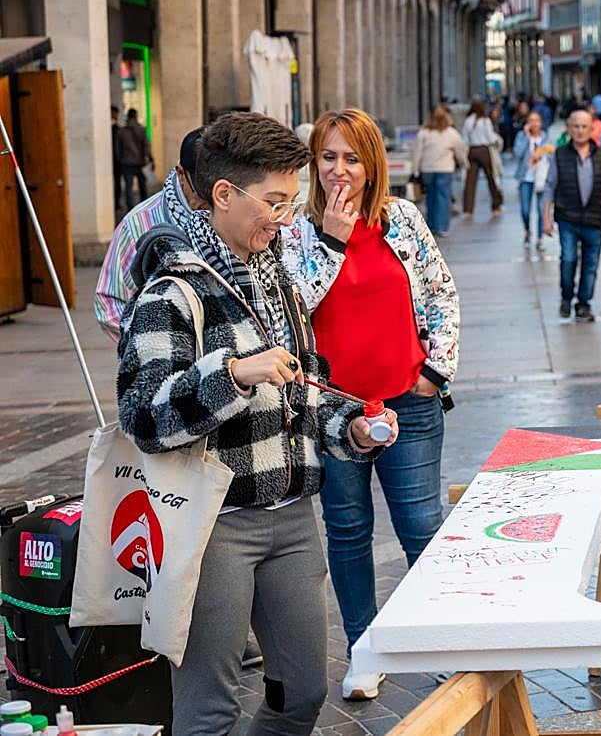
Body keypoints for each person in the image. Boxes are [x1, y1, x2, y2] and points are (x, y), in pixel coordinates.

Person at [117, 112, 398, 733]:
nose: (287, 216)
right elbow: (143, 417)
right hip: (211, 522)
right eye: (274, 201)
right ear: (225, 194)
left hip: (293, 516)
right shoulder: (174, 292)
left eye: (293, 201)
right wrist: (234, 373)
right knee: (209, 708)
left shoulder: (278, 280)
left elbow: (306, 386)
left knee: (301, 690)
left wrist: (348, 426)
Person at [281, 107, 460, 701]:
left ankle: (442, 645)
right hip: (331, 412)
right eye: (327, 157)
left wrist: (435, 371)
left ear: (371, 164)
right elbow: (292, 308)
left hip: (408, 403)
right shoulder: (296, 232)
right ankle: (364, 650)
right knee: (349, 530)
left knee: (421, 527)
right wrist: (331, 239)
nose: (339, 170)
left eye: (351, 158)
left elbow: (440, 294)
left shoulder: (402, 219)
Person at [95, 127, 207, 341]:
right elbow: (108, 304)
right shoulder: (139, 224)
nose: (211, 202)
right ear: (181, 174)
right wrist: (157, 344)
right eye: (201, 190)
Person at [542, 109, 601, 322]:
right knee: (568, 258)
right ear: (568, 128)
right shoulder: (560, 154)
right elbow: (549, 187)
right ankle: (566, 298)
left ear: (592, 129)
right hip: (568, 217)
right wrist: (546, 219)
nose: (580, 131)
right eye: (576, 126)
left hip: (594, 218)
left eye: (584, 126)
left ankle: (583, 303)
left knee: (590, 264)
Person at [412, 105, 467, 237]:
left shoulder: (424, 133)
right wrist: (464, 162)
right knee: (443, 197)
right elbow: (460, 149)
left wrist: (415, 170)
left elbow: (417, 152)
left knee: (430, 197)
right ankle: (442, 226)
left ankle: (431, 225)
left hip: (427, 170)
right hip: (445, 169)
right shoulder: (451, 133)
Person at [513, 110, 552, 250]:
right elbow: (517, 154)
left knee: (541, 210)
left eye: (537, 120)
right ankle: (527, 231)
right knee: (525, 209)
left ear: (541, 123)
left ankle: (540, 239)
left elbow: (551, 155)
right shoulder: (521, 136)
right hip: (526, 178)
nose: (534, 124)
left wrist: (540, 156)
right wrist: (527, 137)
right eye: (531, 120)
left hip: (542, 179)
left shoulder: (546, 137)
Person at [462, 98, 503, 219]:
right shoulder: (485, 121)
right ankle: (496, 206)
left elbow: (464, 139)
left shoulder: (467, 121)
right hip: (484, 151)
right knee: (491, 178)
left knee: (470, 181)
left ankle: (468, 210)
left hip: (472, 150)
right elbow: (490, 138)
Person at [117, 108, 154, 213]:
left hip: (127, 163)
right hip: (140, 163)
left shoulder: (121, 132)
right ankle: (145, 208)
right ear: (136, 116)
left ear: (128, 117)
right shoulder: (141, 129)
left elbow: (118, 149)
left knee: (128, 188)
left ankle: (131, 209)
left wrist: (120, 160)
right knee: (143, 187)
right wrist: (150, 158)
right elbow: (147, 146)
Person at [110, 106, 122, 217]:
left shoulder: (118, 129)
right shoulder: (116, 129)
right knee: (117, 183)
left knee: (117, 183)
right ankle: (116, 203)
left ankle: (116, 203)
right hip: (115, 160)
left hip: (116, 160)